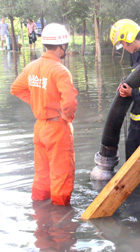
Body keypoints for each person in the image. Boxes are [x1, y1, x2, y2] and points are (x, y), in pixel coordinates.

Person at [10, 23, 78, 206]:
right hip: (57, 128)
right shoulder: (59, 71)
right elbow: (70, 101)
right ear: (62, 45)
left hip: (40, 128)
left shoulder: (32, 67)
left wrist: (37, 102)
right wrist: (66, 116)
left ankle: (40, 215)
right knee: (61, 174)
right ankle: (61, 220)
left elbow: (16, 88)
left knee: (42, 173)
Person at [110, 19, 140, 161]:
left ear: (129, 38)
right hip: (137, 119)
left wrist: (132, 93)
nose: (123, 47)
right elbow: (138, 79)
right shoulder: (137, 53)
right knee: (131, 153)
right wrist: (125, 84)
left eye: (123, 43)